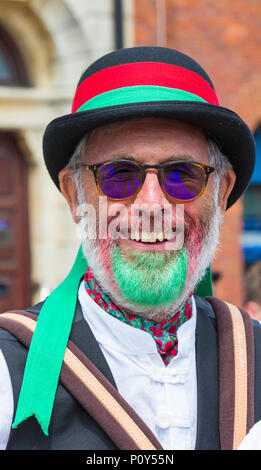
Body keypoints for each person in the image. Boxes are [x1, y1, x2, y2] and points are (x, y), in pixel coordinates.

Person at [1, 46, 261, 451]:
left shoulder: (256, 353)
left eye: (182, 175)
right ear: (75, 196)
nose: (152, 204)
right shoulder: (7, 369)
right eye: (119, 175)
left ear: (221, 193)